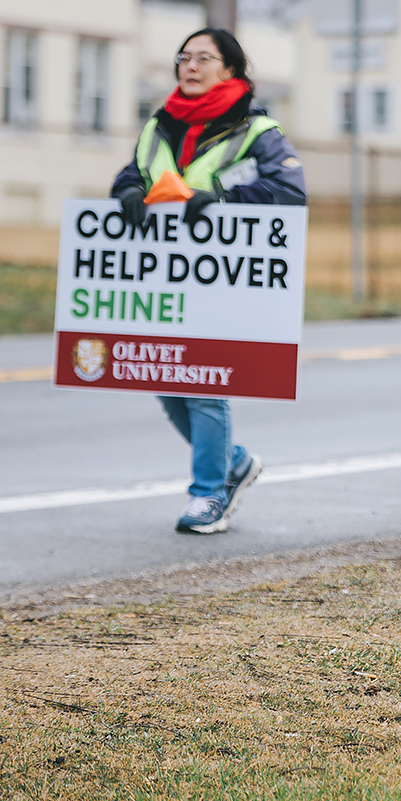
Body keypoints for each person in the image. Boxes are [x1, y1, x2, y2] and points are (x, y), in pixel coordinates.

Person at [111, 27, 304, 534]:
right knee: (166, 381)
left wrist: (222, 201)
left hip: (222, 282)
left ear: (232, 71)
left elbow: (287, 192)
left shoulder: (259, 131)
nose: (190, 66)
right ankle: (234, 462)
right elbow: (134, 172)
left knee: (202, 383)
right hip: (164, 280)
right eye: (184, 58)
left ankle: (209, 495)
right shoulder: (159, 125)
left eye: (204, 58)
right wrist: (128, 190)